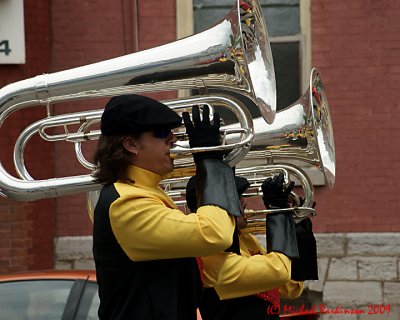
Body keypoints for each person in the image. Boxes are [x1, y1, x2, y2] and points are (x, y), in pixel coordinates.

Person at [92, 94, 242, 320]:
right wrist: (210, 161)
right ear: (131, 144)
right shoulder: (126, 203)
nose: (172, 139)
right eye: (162, 134)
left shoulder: (150, 192)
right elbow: (215, 235)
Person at [186, 173, 319, 320]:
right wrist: (277, 213)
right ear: (214, 206)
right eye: (236, 197)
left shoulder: (245, 238)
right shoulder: (207, 250)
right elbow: (277, 271)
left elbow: (291, 287)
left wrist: (297, 237)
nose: (244, 202)